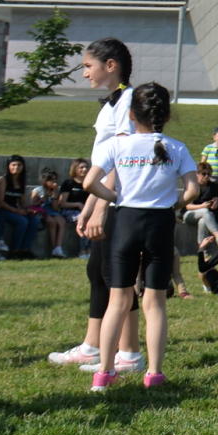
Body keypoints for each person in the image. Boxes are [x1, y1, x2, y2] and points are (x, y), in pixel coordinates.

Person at [83, 83, 198, 391]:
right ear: (167, 115)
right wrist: (177, 203)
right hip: (159, 224)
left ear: (131, 114)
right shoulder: (176, 147)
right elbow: (193, 189)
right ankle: (154, 374)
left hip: (125, 222)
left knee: (118, 301)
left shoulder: (117, 146)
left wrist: (114, 195)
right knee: (155, 302)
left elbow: (89, 182)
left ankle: (104, 374)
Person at [46, 38, 145, 372]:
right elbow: (104, 161)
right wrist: (91, 203)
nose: (84, 72)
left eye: (88, 66)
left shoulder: (128, 100)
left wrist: (102, 205)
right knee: (99, 271)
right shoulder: (112, 104)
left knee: (115, 275)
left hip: (122, 200)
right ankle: (93, 345)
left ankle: (128, 353)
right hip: (109, 196)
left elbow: (121, 158)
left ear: (111, 65)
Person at [0, 156, 43, 259]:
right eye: (13, 165)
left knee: (34, 220)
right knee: (22, 221)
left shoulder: (21, 182)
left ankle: (25, 250)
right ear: (8, 166)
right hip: (3, 210)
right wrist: (17, 211)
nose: (16, 167)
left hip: (15, 210)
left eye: (19, 165)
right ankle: (14, 251)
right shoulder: (3, 180)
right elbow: (0, 202)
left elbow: (22, 201)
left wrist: (28, 209)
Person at [182, 160, 218, 249]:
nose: (207, 176)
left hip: (207, 216)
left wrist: (216, 202)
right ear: (197, 174)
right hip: (190, 214)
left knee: (202, 221)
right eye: (204, 174)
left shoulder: (213, 186)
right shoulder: (191, 186)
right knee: (205, 211)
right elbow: (188, 206)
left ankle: (202, 250)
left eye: (209, 174)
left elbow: (216, 202)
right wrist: (202, 206)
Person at [55, 160, 90, 256]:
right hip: (69, 211)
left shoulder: (89, 184)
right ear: (75, 169)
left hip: (84, 212)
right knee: (83, 222)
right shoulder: (69, 183)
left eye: (86, 167)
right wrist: (77, 204)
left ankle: (89, 251)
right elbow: (62, 203)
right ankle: (83, 251)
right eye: (81, 167)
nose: (85, 169)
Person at [38, 167, 69, 258]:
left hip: (52, 211)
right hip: (42, 211)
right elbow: (34, 204)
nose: (54, 182)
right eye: (51, 180)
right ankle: (53, 247)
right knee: (52, 222)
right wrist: (43, 198)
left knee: (62, 221)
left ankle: (58, 248)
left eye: (55, 180)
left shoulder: (55, 191)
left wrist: (55, 195)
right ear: (45, 181)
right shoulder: (39, 190)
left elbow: (55, 208)